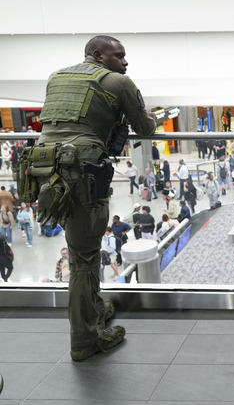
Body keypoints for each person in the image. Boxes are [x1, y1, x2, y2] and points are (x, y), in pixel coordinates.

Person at [33, 35, 156, 360]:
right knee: (84, 260)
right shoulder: (117, 81)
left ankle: (94, 309)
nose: (125, 61)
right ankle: (85, 339)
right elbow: (144, 128)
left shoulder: (57, 76)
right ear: (99, 55)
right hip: (82, 171)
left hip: (45, 169)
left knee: (79, 250)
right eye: (120, 55)